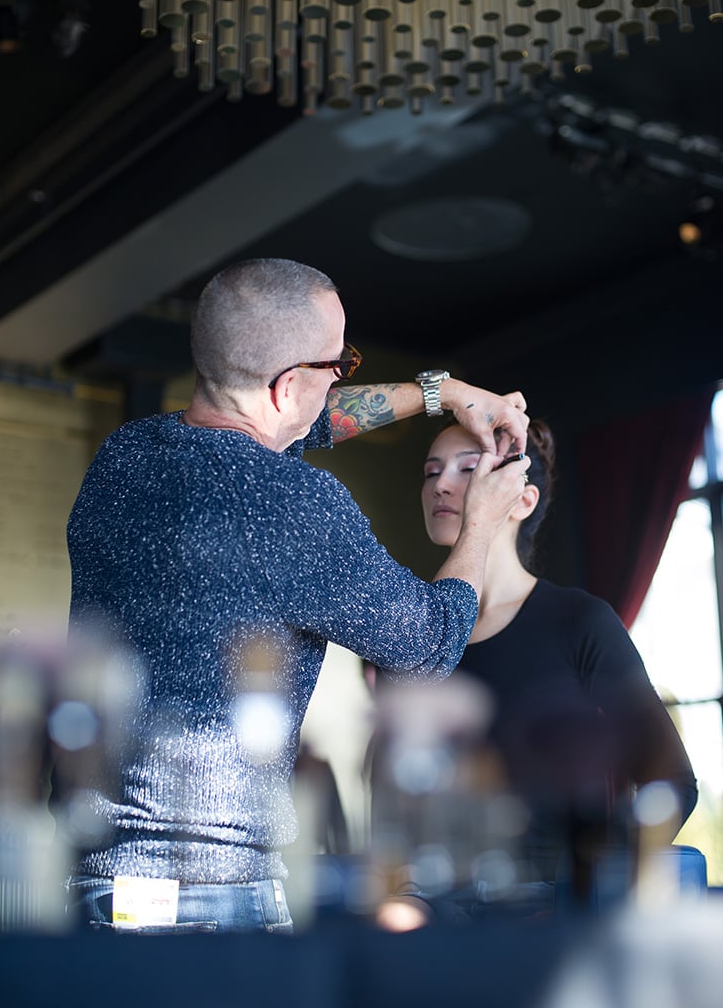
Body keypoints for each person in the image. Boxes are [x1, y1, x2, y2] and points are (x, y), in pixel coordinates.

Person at [55, 257, 530, 934]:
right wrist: (482, 519)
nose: (343, 377)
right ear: (286, 386)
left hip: (87, 882)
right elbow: (427, 646)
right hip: (206, 900)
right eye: (339, 365)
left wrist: (443, 391)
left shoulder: (125, 456)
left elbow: (297, 426)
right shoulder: (291, 505)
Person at [402, 416, 698, 916]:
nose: (442, 485)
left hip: (553, 922)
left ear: (523, 499)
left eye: (468, 468)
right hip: (436, 920)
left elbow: (672, 781)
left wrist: (594, 871)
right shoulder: (409, 633)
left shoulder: (580, 622)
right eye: (431, 472)